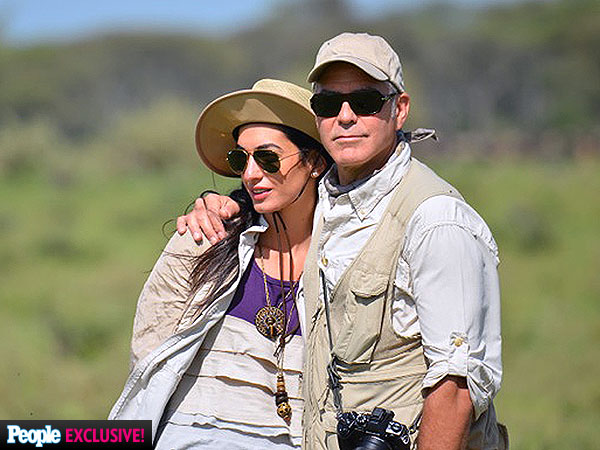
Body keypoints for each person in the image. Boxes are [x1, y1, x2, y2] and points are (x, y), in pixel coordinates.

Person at [178, 32, 508, 450]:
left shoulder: (436, 220)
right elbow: (274, 186)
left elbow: (457, 387)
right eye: (329, 104)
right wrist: (217, 205)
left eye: (367, 102)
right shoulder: (326, 201)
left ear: (400, 109)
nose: (346, 116)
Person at [109, 79, 330, 449]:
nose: (250, 173)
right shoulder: (203, 238)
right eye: (239, 159)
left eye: (268, 158)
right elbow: (148, 352)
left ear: (315, 163)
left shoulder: (347, 258)